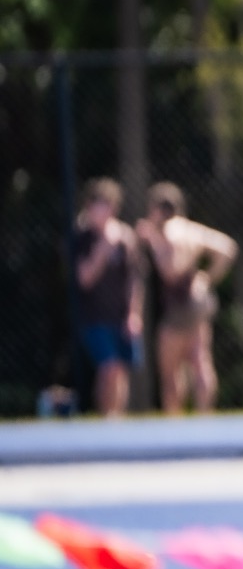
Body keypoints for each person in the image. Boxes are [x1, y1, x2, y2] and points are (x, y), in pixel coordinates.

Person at [134, 183, 237, 415]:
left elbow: (170, 270)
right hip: (199, 302)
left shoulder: (169, 232)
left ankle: (175, 423)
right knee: (200, 360)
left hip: (180, 304)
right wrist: (207, 278)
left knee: (170, 368)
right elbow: (228, 249)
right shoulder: (191, 229)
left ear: (158, 210)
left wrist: (153, 240)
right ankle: (204, 416)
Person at [73, 179, 142, 418]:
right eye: (97, 206)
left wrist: (134, 314)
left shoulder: (125, 238)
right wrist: (103, 248)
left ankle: (117, 420)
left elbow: (134, 280)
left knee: (121, 369)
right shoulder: (82, 238)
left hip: (120, 315)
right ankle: (106, 418)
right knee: (108, 367)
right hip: (93, 316)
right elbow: (84, 279)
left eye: (108, 206)